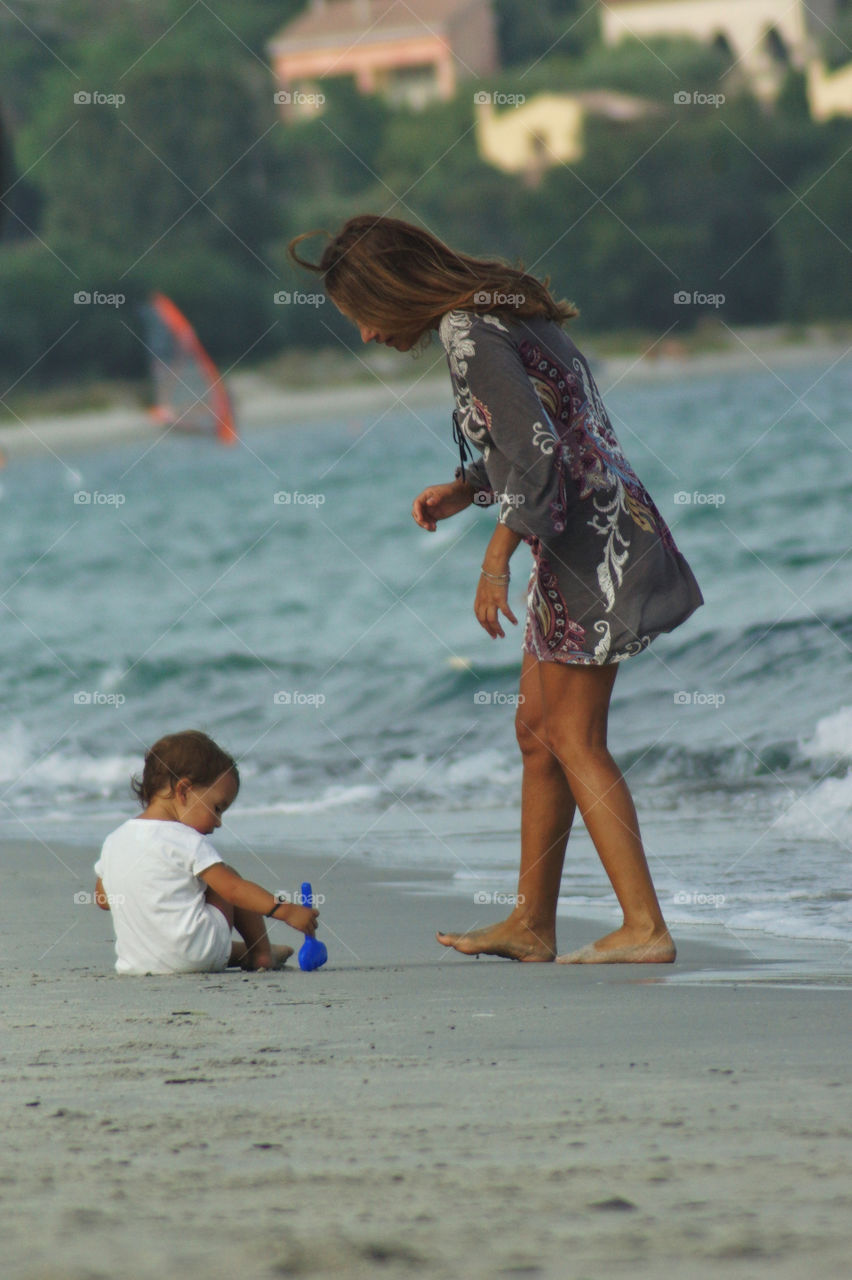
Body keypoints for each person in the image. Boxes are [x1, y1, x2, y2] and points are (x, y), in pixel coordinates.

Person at [288, 215, 704, 964]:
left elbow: (540, 456)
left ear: (390, 290)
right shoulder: (497, 310)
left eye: (362, 317)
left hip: (591, 546)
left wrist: (495, 555)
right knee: (537, 731)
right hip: (587, 532)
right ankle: (531, 924)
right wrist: (467, 487)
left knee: (574, 738)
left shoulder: (467, 332)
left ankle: (645, 928)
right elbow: (546, 435)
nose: (369, 336)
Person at [94, 730, 319, 975]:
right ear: (183, 791)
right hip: (197, 954)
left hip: (137, 963)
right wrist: (287, 911)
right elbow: (234, 890)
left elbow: (103, 900)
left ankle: (242, 951)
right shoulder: (187, 840)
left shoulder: (114, 840)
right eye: (217, 808)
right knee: (226, 876)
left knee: (186, 903)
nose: (219, 822)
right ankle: (261, 953)